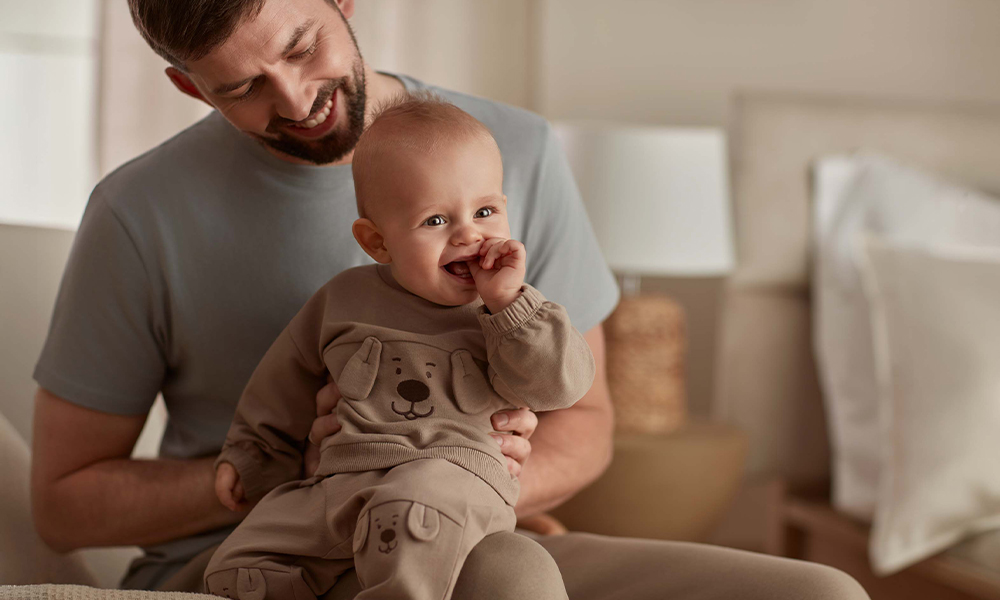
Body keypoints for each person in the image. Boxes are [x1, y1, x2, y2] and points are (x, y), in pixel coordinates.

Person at [29, 0, 870, 598]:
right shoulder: (140, 211)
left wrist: (444, 477)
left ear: (343, 1)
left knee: (821, 592)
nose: (293, 101)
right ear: (188, 89)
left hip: (470, 535)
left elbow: (587, 425)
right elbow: (62, 504)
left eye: (300, 47)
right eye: (239, 88)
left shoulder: (513, 154)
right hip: (263, 557)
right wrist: (277, 472)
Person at [204, 94, 593, 600]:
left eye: (485, 210)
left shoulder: (509, 312)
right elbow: (282, 380)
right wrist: (253, 456)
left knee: (416, 510)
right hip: (342, 480)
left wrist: (509, 306)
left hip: (450, 479)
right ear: (378, 243)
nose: (468, 235)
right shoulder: (342, 299)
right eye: (436, 221)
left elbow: (560, 385)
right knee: (241, 560)